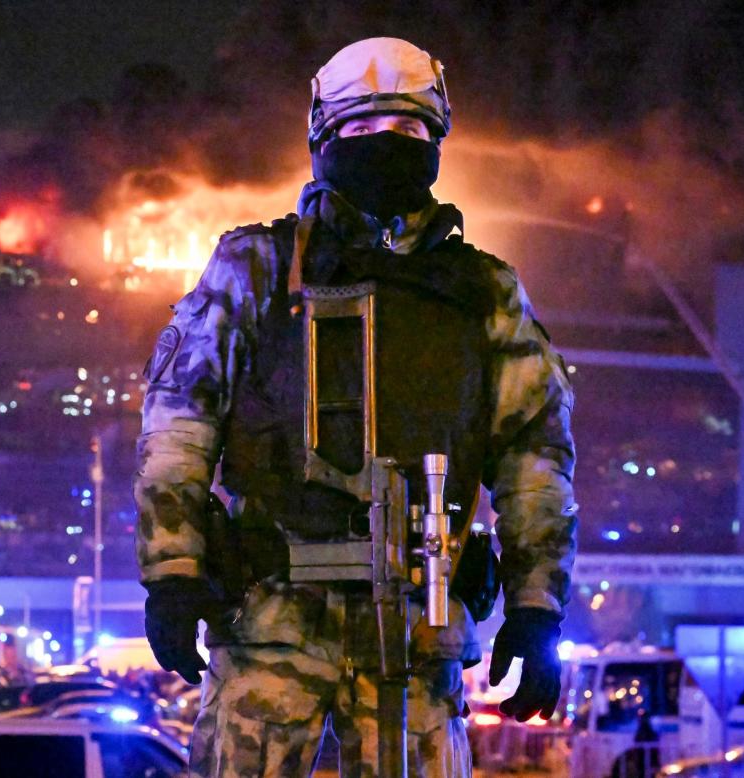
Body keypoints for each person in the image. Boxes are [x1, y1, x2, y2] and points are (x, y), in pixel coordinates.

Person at [134, 37, 577, 777]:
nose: (385, 147)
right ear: (321, 138)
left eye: (407, 130)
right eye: (361, 130)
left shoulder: (484, 293)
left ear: (437, 141)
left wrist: (537, 607)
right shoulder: (255, 268)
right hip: (269, 618)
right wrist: (171, 573)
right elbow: (178, 423)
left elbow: (535, 453)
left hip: (418, 629)